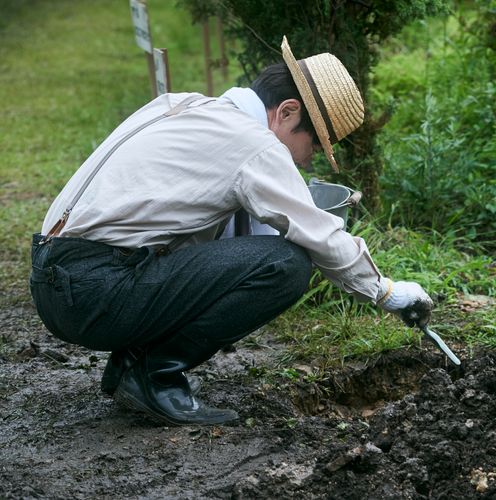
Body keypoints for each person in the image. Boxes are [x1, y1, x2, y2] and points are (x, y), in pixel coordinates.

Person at [29, 37, 433, 426]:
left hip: (60, 278)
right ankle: (152, 375)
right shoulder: (252, 143)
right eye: (315, 142)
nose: (309, 160)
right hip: (94, 290)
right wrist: (387, 292)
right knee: (286, 264)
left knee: (264, 255)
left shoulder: (186, 105)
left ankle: (134, 364)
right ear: (288, 112)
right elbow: (317, 233)